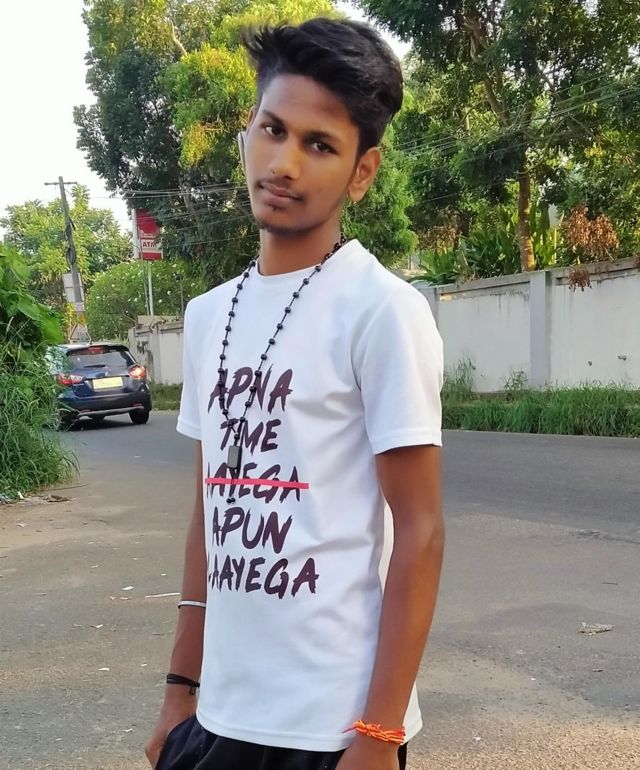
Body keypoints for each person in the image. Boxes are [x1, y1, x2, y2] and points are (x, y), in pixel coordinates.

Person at [145, 17, 444, 770]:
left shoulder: (381, 310)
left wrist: (379, 735)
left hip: (332, 729)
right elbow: (211, 512)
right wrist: (180, 690)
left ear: (362, 172)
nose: (284, 163)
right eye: (273, 130)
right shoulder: (207, 317)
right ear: (246, 132)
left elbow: (420, 531)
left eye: (319, 145)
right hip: (219, 715)